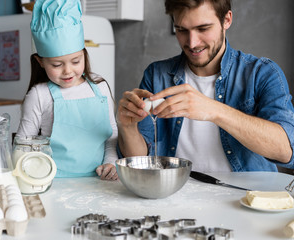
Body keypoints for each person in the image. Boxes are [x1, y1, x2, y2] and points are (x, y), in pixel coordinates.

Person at [117, 0, 294, 172]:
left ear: (227, 20)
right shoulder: (156, 75)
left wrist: (214, 110)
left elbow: (286, 150)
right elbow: (141, 158)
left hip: (244, 197)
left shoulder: (262, 73)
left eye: (203, 28)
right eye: (181, 30)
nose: (192, 43)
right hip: (176, 196)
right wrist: (127, 127)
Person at [16, 0, 118, 180]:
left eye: (76, 61)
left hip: (99, 182)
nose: (68, 71)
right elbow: (23, 146)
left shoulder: (100, 88)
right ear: (41, 62)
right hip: (53, 183)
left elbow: (110, 137)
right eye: (57, 64)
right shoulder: (39, 95)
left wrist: (110, 163)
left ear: (84, 54)